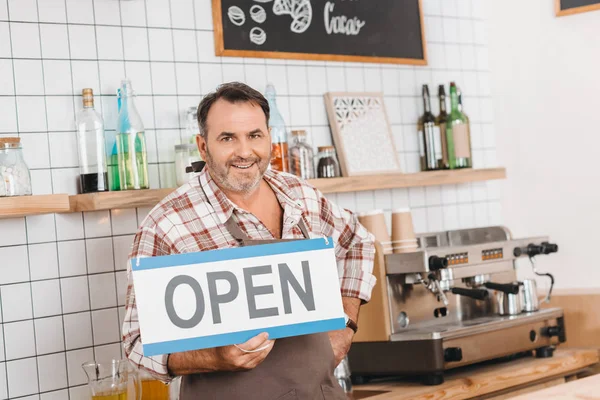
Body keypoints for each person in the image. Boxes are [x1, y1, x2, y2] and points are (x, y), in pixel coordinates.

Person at [122, 82, 376, 399]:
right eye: (228, 138)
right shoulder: (166, 224)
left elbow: (357, 240)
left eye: (254, 136)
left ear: (269, 137)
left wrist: (346, 327)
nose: (245, 151)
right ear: (203, 146)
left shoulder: (298, 194)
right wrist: (213, 358)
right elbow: (136, 343)